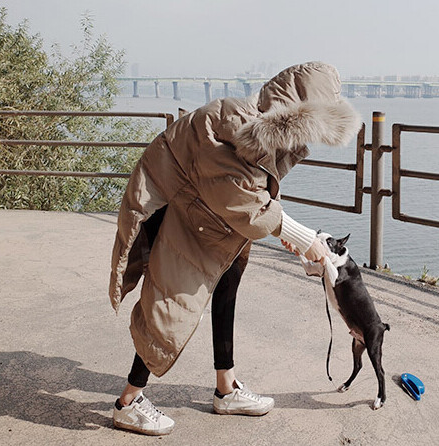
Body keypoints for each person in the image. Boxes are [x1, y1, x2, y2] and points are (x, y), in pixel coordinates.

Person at [109, 61, 361, 435]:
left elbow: (250, 193)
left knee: (228, 285)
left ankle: (225, 389)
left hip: (210, 209)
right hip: (177, 204)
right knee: (171, 303)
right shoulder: (233, 122)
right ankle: (128, 402)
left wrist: (293, 236)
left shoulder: (262, 130)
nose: (306, 142)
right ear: (294, 112)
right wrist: (306, 240)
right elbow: (242, 199)